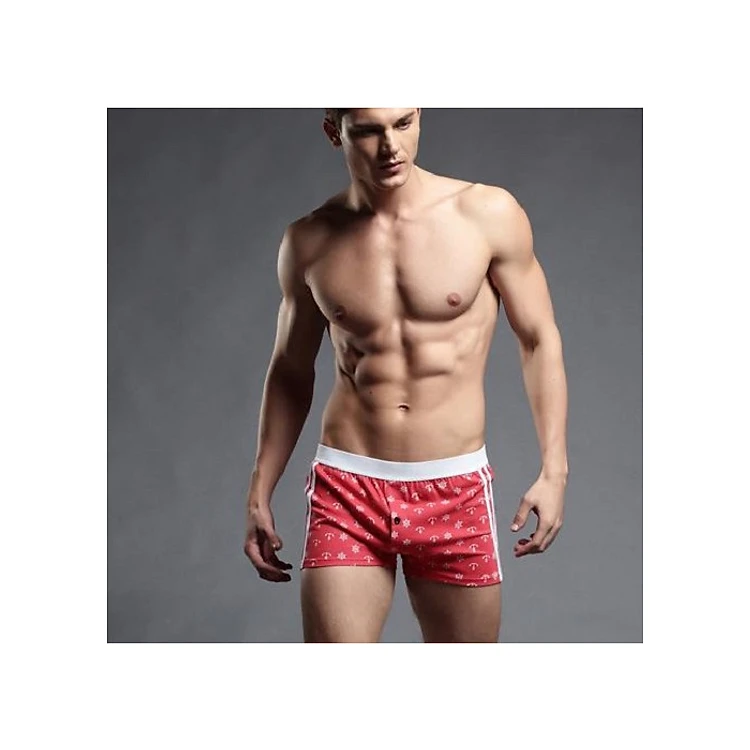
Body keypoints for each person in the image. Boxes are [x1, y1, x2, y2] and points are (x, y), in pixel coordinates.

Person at [244, 108, 569, 643]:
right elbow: (290, 371)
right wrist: (260, 489)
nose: (391, 146)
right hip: (348, 487)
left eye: (403, 122)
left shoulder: (486, 214)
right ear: (334, 133)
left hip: (454, 488)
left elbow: (539, 338)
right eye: (368, 131)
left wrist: (554, 470)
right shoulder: (309, 239)